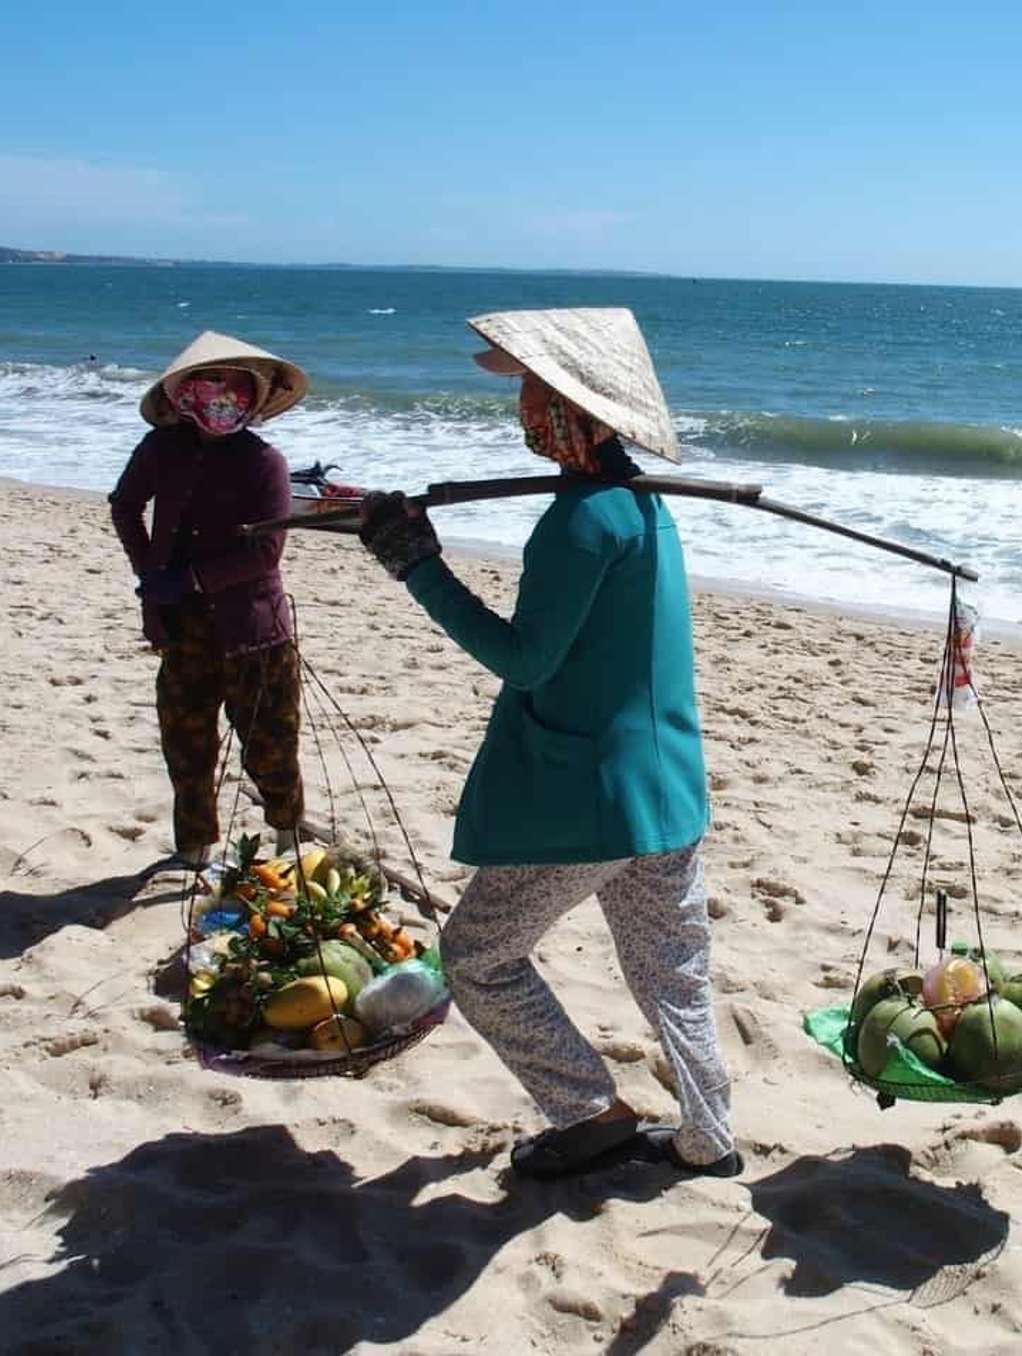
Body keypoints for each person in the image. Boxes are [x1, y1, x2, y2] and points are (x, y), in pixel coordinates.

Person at [360, 308, 738, 1180]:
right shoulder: (643, 505)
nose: (523, 409)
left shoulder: (582, 520)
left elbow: (524, 660)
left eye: (536, 392)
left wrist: (418, 567)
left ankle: (588, 1114)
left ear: (581, 410)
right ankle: (709, 1137)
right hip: (667, 787)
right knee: (671, 969)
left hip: (591, 798)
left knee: (477, 958)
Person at [110, 331, 309, 869]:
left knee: (270, 746)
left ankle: (289, 839)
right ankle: (194, 849)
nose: (222, 396)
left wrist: (191, 578)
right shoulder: (161, 449)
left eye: (233, 386)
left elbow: (265, 552)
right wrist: (149, 570)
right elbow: (125, 506)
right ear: (185, 395)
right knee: (187, 743)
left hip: (254, 631)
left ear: (253, 395)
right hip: (182, 629)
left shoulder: (265, 462)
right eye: (210, 384)